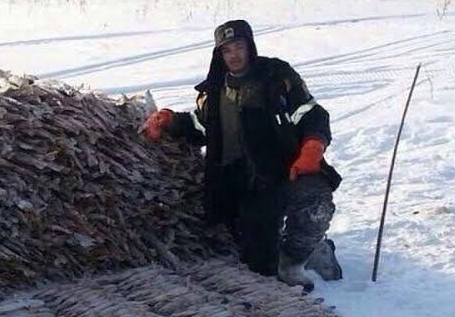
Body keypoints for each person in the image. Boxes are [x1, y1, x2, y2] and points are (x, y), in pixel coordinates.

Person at [141, 19, 342, 291]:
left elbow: (311, 114)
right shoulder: (214, 91)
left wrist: (312, 149)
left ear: (250, 47)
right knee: (258, 265)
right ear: (219, 54)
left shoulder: (276, 77)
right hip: (248, 182)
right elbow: (202, 126)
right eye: (227, 50)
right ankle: (298, 250)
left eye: (239, 46)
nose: (234, 55)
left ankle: (295, 261)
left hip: (289, 167)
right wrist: (169, 121)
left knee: (314, 205)